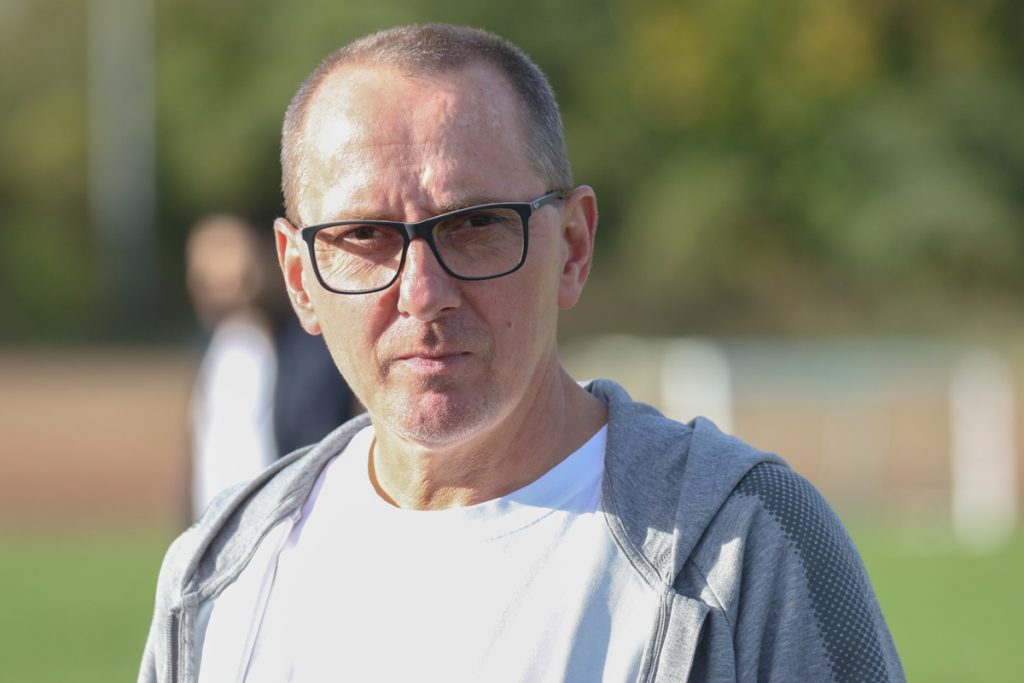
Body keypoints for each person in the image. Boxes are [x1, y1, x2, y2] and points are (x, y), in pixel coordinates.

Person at [141, 24, 904, 682]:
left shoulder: (746, 547)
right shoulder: (220, 573)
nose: (422, 292)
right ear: (299, 278)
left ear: (573, 246)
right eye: (364, 235)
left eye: (475, 225)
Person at [185, 214, 355, 519]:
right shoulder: (211, 346)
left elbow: (318, 447)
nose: (220, 275)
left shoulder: (310, 351)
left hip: (284, 524)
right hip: (215, 526)